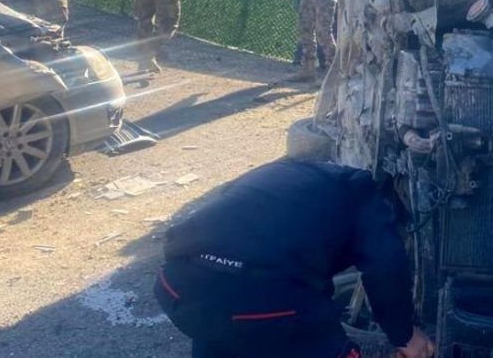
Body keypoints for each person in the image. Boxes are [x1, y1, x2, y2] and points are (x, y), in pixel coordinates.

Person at [154, 152, 435, 358]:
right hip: (260, 298)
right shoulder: (363, 192)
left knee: (224, 334)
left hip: (177, 285)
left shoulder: (278, 174)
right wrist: (405, 335)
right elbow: (385, 265)